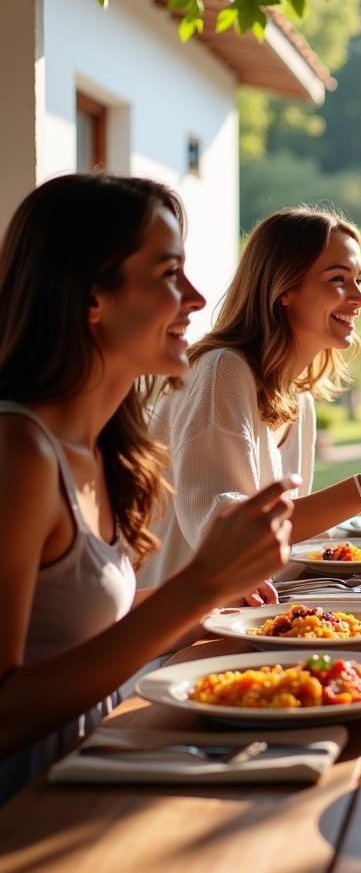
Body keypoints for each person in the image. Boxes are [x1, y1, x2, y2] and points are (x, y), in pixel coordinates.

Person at [0, 174, 297, 801]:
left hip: (94, 783)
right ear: (91, 298)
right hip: (27, 818)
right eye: (168, 275)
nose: (194, 296)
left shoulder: (107, 449)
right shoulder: (18, 453)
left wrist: (204, 608)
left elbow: (72, 631)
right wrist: (197, 587)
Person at [139, 206, 361, 589]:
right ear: (283, 288)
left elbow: (289, 539)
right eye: (339, 280)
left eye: (360, 281)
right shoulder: (222, 371)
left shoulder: (297, 393)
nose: (359, 298)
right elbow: (229, 541)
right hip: (187, 634)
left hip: (270, 607)